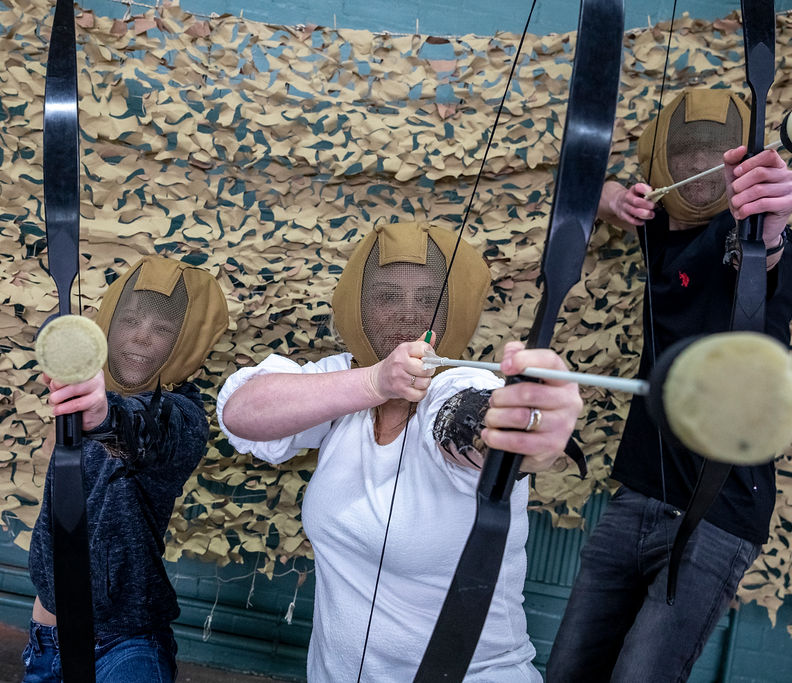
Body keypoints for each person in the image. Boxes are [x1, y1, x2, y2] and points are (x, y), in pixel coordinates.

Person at [217, 221, 585, 681]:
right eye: (387, 296)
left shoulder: (459, 384)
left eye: (429, 299)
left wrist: (528, 425)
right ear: (359, 304)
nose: (408, 314)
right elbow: (241, 411)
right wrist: (374, 382)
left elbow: (473, 423)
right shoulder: (347, 379)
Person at [546, 88, 792, 682]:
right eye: (685, 155)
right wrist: (615, 198)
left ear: (736, 166)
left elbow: (762, 259)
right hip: (638, 492)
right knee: (567, 671)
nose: (698, 168)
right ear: (663, 160)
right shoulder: (660, 224)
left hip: (717, 511)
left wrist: (768, 232)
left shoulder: (751, 236)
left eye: (713, 157)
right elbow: (584, 191)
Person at [23, 255, 228, 682]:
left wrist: (101, 415)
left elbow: (142, 430)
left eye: (163, 330)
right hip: (47, 638)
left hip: (125, 649)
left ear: (186, 342)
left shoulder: (183, 415)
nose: (141, 337)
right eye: (131, 320)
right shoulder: (84, 389)